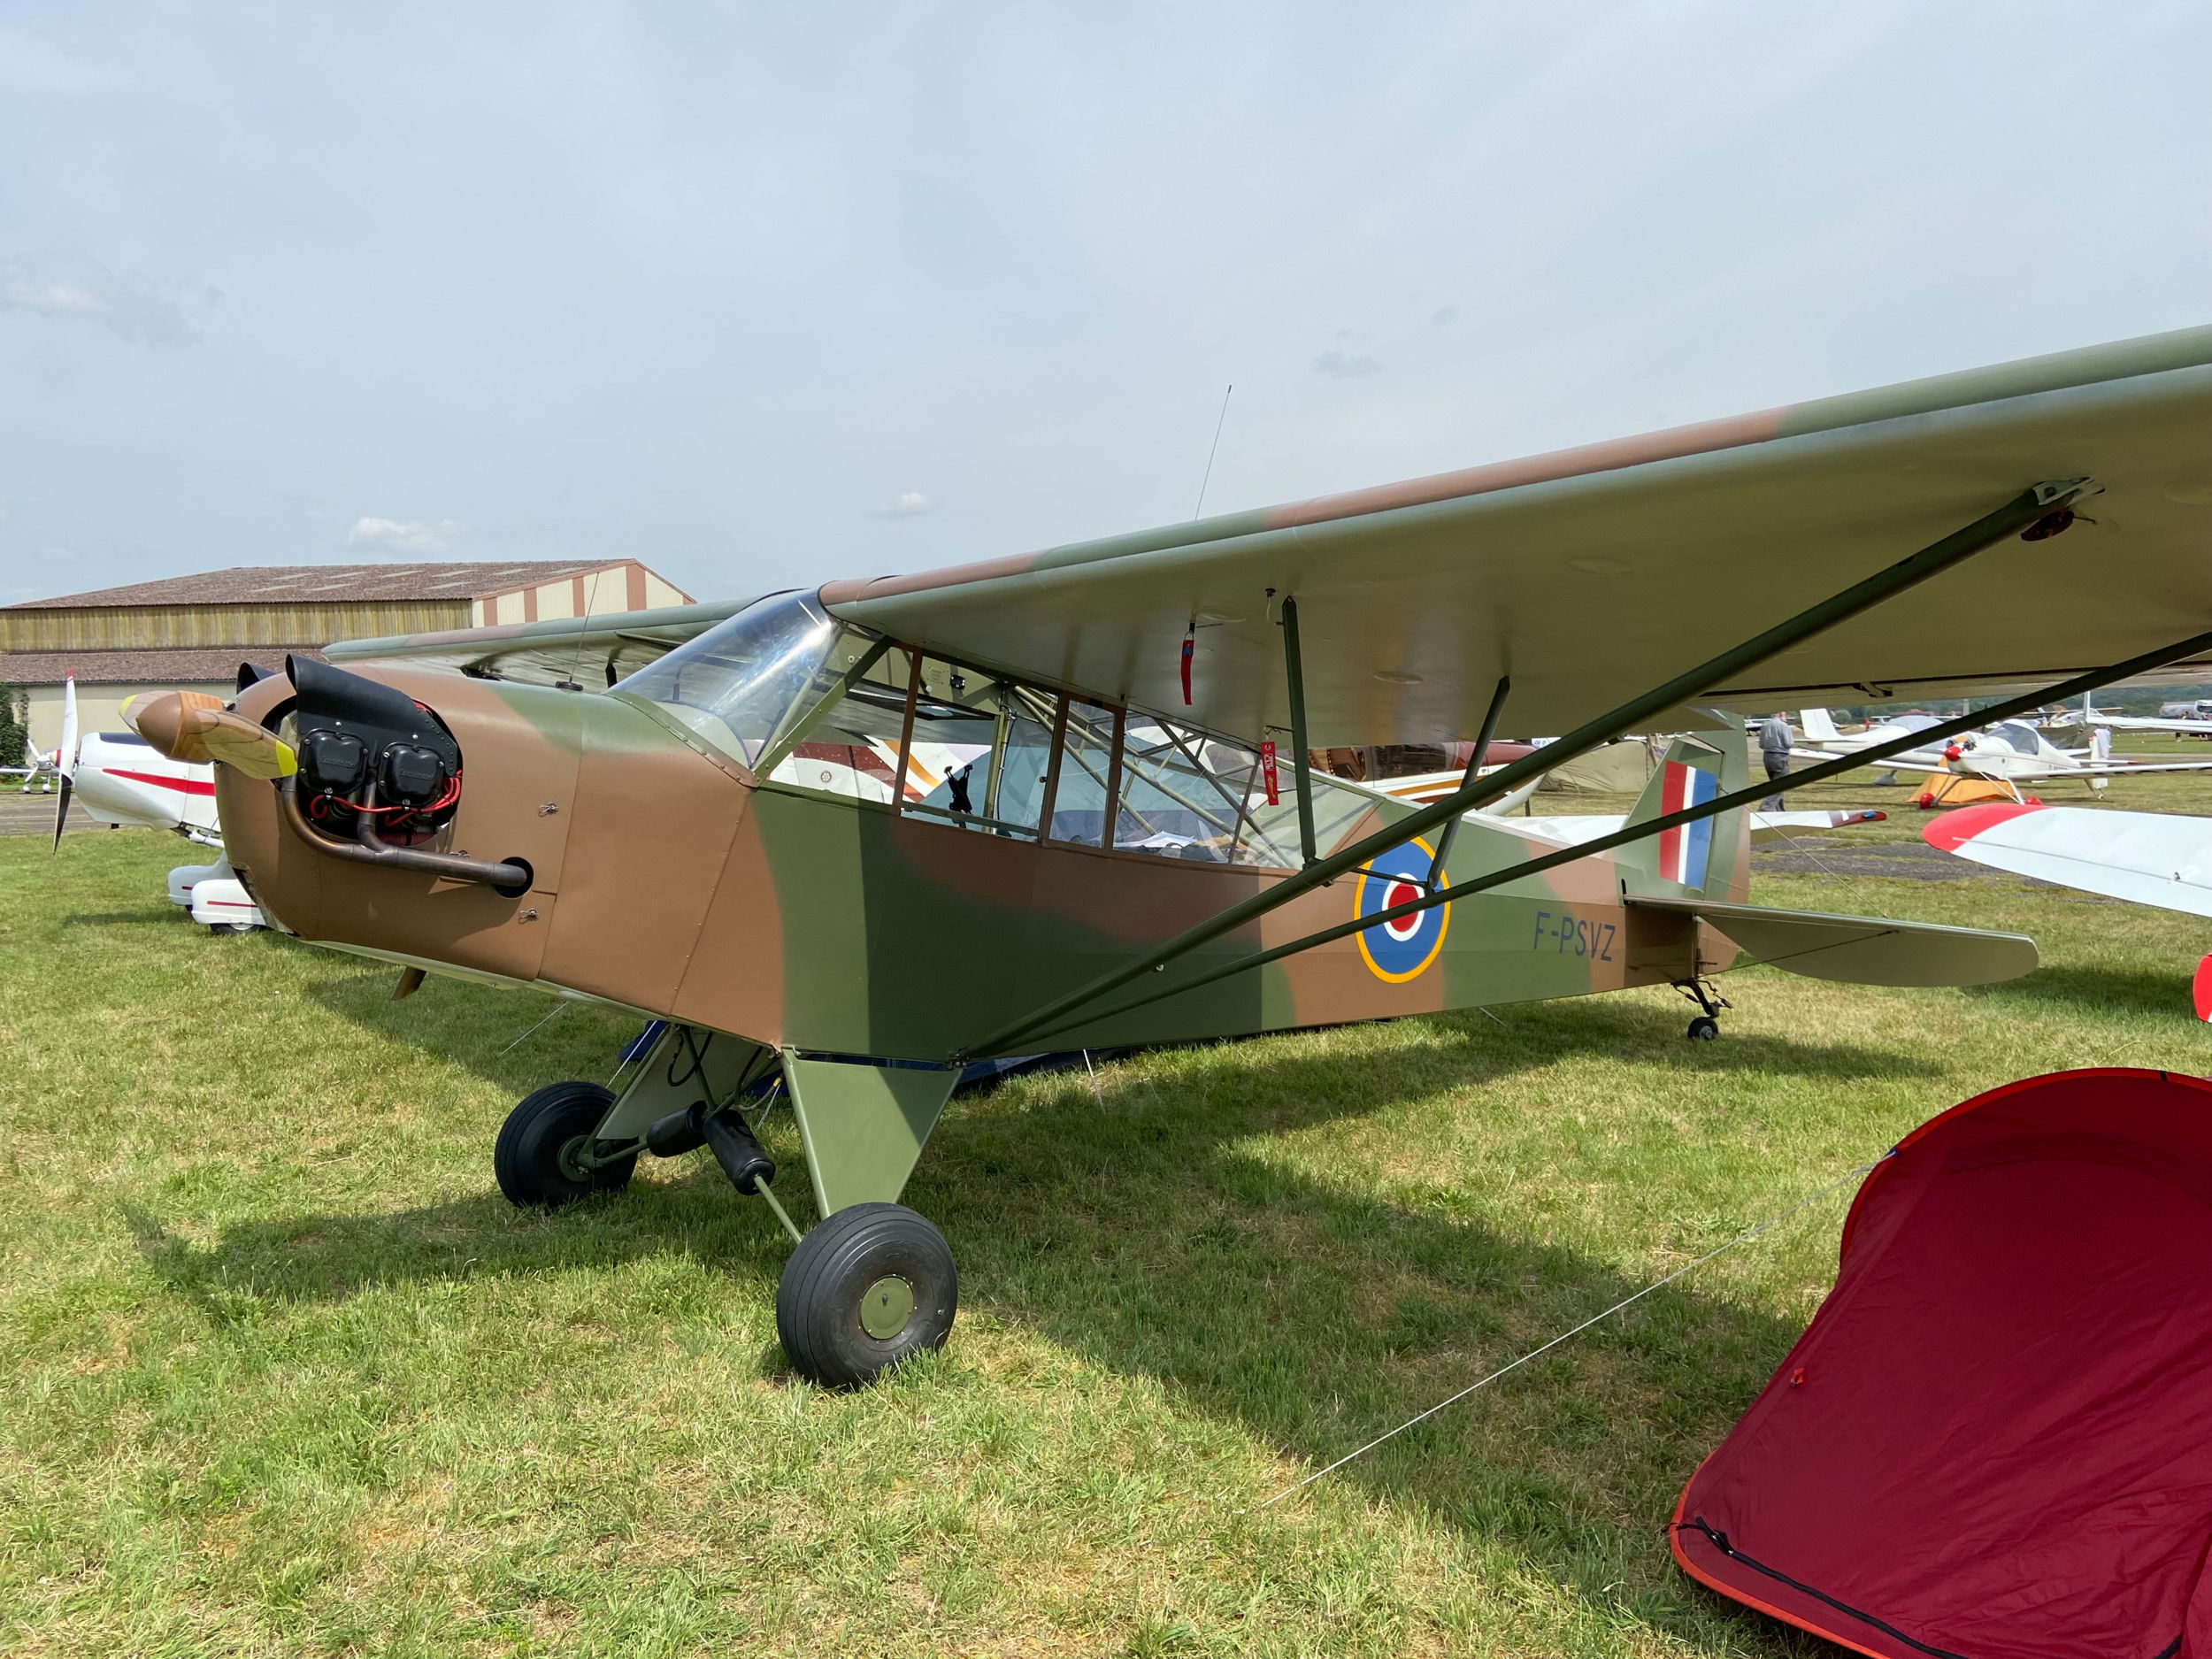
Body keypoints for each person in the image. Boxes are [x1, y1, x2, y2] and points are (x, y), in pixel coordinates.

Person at [1756, 714, 1793, 809]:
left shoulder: (1765, 725)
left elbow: (1761, 744)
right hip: (1780, 756)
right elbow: (1789, 743)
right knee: (1780, 785)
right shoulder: (1783, 725)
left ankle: (1779, 810)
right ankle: (1764, 809)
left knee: (1774, 784)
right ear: (1781, 714)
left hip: (1767, 756)